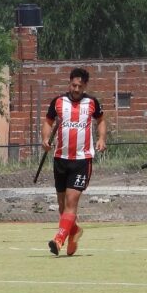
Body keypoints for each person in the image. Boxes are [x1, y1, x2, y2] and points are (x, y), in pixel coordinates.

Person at [44, 68, 106, 256]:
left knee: (72, 202)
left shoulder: (92, 102)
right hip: (60, 158)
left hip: (82, 160)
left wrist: (102, 138)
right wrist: (45, 138)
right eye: (73, 85)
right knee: (62, 207)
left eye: (80, 86)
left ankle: (59, 239)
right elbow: (48, 121)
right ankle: (75, 231)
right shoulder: (58, 102)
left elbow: (101, 120)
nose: (76, 89)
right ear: (69, 83)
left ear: (85, 85)